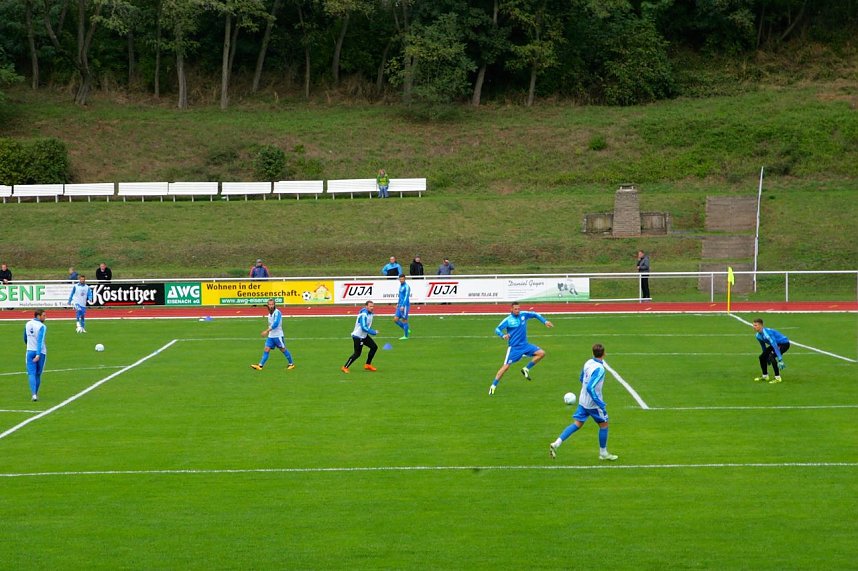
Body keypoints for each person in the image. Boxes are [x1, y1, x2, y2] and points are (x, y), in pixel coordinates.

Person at [549, 343, 618, 461]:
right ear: (604, 354)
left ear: (593, 353)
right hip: (593, 404)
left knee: (577, 424)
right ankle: (603, 453)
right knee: (604, 425)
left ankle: (556, 443)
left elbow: (581, 378)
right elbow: (590, 387)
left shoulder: (588, 362)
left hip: (583, 400)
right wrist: (599, 403)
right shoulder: (600, 369)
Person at [489, 302, 553, 395]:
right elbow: (497, 329)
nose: (517, 310)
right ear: (511, 309)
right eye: (515, 309)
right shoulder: (508, 320)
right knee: (506, 367)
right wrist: (503, 335)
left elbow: (535, 314)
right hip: (514, 348)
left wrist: (545, 321)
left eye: (518, 309)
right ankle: (493, 386)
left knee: (541, 353)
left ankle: (526, 369)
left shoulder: (523, 315)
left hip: (525, 345)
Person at [250, 299, 295, 371]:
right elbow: (270, 324)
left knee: (283, 349)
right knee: (266, 349)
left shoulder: (277, 313)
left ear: (274, 305)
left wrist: (266, 331)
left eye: (272, 304)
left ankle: (291, 364)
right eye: (269, 304)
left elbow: (276, 324)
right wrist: (268, 331)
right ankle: (260, 365)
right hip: (271, 336)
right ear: (267, 305)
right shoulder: (269, 314)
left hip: (278, 335)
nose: (271, 306)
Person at [342, 301, 379, 373]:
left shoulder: (370, 314)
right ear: (366, 306)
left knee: (374, 347)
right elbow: (364, 327)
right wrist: (373, 332)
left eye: (373, 306)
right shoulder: (364, 314)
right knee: (357, 354)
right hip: (358, 336)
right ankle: (345, 367)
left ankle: (368, 365)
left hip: (364, 336)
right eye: (370, 306)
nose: (372, 308)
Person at [752, 318, 790, 384]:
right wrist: (765, 356)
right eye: (753, 325)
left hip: (784, 344)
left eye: (756, 325)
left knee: (771, 356)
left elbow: (775, 345)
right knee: (761, 357)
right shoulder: (758, 335)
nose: (754, 327)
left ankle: (778, 378)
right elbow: (763, 346)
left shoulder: (767, 334)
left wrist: (780, 359)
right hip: (776, 344)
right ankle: (765, 376)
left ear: (761, 326)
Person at [24, 309, 47, 402]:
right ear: (38, 316)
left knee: (31, 373)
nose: (45, 317)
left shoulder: (27, 324)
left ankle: (33, 394)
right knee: (38, 374)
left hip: (29, 351)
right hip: (40, 353)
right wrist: (38, 354)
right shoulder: (42, 326)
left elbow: (25, 337)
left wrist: (28, 345)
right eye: (44, 315)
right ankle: (35, 394)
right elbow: (40, 341)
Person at [393, 274, 411, 340]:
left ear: (405, 279)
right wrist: (398, 303)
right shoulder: (400, 286)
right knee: (395, 319)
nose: (401, 280)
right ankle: (405, 328)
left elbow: (406, 297)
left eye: (402, 279)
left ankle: (406, 336)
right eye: (400, 279)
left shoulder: (407, 287)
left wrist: (403, 305)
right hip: (400, 305)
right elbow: (400, 296)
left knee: (404, 320)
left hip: (405, 306)